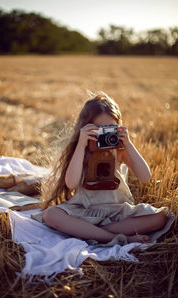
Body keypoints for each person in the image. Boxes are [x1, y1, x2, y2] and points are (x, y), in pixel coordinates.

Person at [41, 92, 175, 245]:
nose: (105, 134)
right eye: (99, 129)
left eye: (110, 128)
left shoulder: (119, 150)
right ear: (85, 128)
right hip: (85, 211)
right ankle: (115, 238)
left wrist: (128, 144)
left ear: (118, 126)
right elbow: (71, 183)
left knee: (161, 217)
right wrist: (81, 144)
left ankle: (89, 232)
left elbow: (145, 177)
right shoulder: (81, 151)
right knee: (51, 215)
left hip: (117, 212)